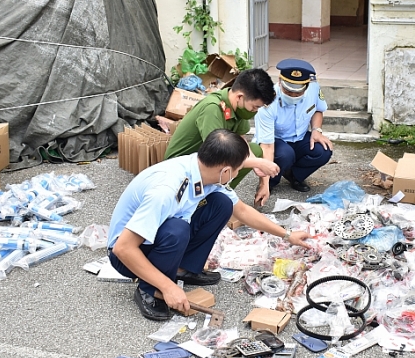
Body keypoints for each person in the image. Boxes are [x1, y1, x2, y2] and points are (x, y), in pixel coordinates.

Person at [109, 129, 313, 320]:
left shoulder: (204, 172)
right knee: (177, 230)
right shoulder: (165, 190)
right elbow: (123, 248)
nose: (237, 174)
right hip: (127, 256)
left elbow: (241, 210)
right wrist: (168, 287)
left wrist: (287, 235)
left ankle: (181, 268)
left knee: (222, 204)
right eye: (238, 170)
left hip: (151, 239)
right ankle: (148, 289)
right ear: (225, 170)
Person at [164, 68, 279, 189]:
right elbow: (218, 154)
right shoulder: (212, 108)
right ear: (240, 97)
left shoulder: (238, 107)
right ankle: (208, 199)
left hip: (204, 159)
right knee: (239, 160)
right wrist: (259, 163)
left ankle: (219, 192)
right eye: (255, 107)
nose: (255, 111)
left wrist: (257, 164)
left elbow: (240, 139)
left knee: (254, 151)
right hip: (181, 168)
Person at [253, 59, 333, 205]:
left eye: (298, 92)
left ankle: (294, 175)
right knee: (285, 154)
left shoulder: (313, 88)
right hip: (275, 141)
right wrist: (263, 184)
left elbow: (318, 109)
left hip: (299, 137)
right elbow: (267, 146)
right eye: (288, 91)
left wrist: (316, 130)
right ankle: (271, 181)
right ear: (279, 81)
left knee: (323, 150)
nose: (293, 95)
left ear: (306, 86)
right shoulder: (267, 102)